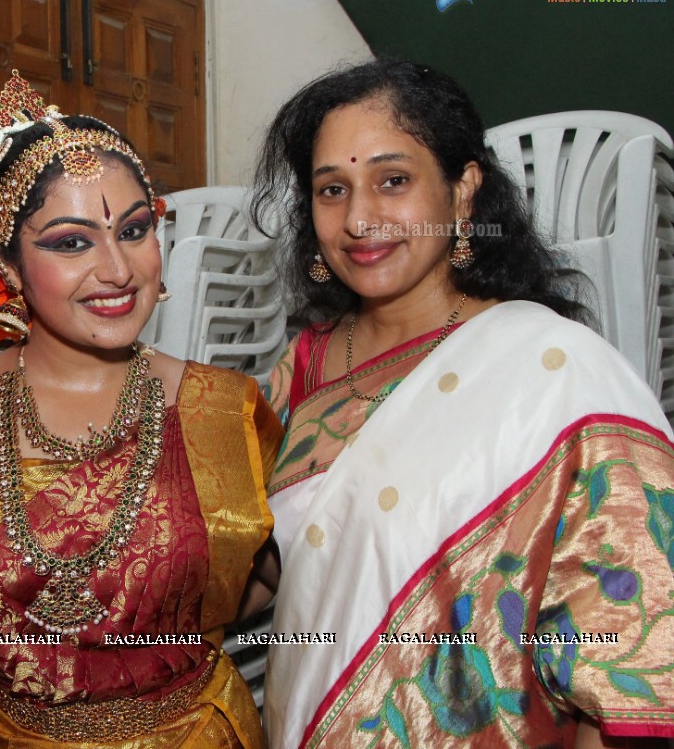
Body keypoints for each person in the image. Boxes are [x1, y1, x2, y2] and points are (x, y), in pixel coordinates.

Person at [253, 58, 674, 748]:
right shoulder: (300, 371)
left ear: (464, 188)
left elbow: (634, 643)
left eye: (393, 181)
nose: (360, 218)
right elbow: (279, 564)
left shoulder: (555, 372)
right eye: (333, 190)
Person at [0, 72, 282, 748]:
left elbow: (274, 575)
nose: (117, 269)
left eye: (135, 230)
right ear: (8, 263)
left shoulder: (227, 410)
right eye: (70, 242)